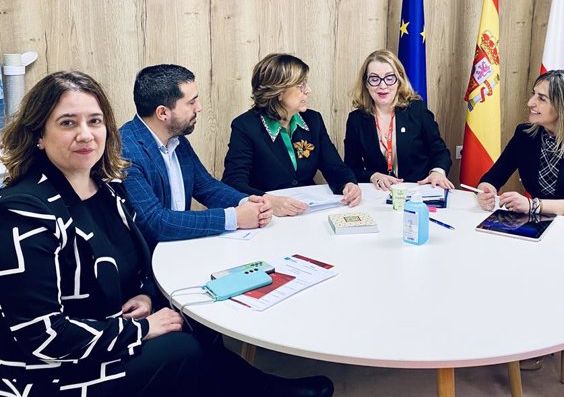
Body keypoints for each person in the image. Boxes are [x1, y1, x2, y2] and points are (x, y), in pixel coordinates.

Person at [0, 71, 333, 397]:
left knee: (189, 321)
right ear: (39, 134)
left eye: (95, 121)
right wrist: (141, 330)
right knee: (182, 348)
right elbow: (43, 337)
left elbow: (143, 253)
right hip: (49, 370)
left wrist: (145, 297)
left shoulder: (105, 188)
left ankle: (261, 387)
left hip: (109, 324)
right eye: (68, 122)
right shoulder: (24, 212)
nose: (86, 134)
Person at [120, 65, 273, 249]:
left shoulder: (176, 138)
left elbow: (206, 186)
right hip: (149, 262)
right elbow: (155, 222)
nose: (198, 108)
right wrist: (234, 218)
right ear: (162, 113)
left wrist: (248, 202)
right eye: (191, 102)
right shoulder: (125, 151)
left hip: (182, 247)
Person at [476, 69, 564, 241]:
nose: (530, 103)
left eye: (541, 99)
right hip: (540, 226)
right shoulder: (525, 134)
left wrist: (533, 205)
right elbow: (493, 177)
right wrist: (485, 189)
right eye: (533, 95)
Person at [222, 53, 361, 216]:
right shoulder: (245, 126)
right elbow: (233, 183)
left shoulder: (313, 120)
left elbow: (334, 166)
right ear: (278, 92)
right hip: (266, 217)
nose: (308, 90)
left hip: (306, 212)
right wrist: (269, 201)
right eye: (300, 85)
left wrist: (348, 184)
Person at [344, 49, 453, 191]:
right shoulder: (356, 120)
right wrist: (373, 175)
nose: (382, 86)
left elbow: (440, 152)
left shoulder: (416, 110)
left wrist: (437, 172)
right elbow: (351, 168)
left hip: (417, 193)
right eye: (374, 79)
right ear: (366, 83)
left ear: (399, 80)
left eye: (389, 78)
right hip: (379, 195)